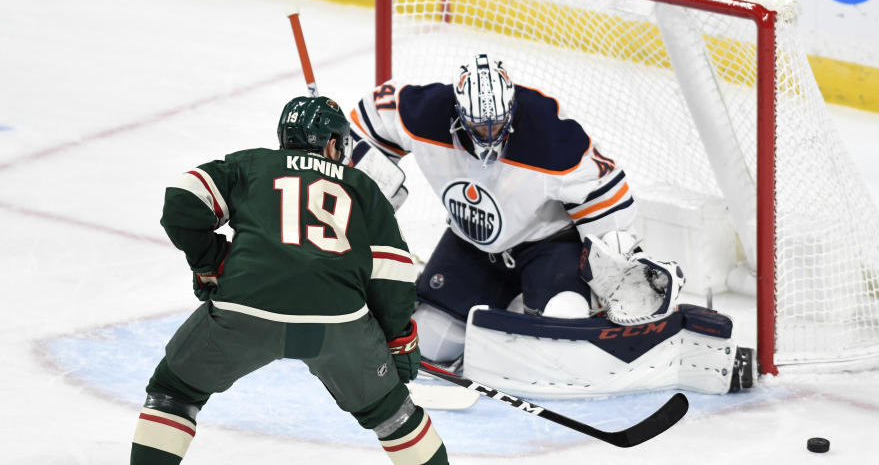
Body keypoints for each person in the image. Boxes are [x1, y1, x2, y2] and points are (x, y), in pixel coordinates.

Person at [130, 96, 448, 465]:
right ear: (332, 142)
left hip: (244, 312)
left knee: (173, 393)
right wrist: (399, 340)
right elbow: (392, 274)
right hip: (336, 324)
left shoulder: (252, 164)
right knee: (395, 416)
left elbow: (183, 200)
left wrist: (212, 262)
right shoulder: (361, 185)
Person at [347, 53, 641, 366]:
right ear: (458, 110)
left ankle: (530, 301)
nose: (490, 133)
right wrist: (360, 188)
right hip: (472, 246)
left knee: (561, 337)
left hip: (549, 246)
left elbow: (604, 192)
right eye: (479, 125)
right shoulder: (427, 112)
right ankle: (505, 303)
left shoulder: (549, 134)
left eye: (498, 122)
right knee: (432, 346)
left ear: (511, 106)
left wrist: (615, 266)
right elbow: (369, 119)